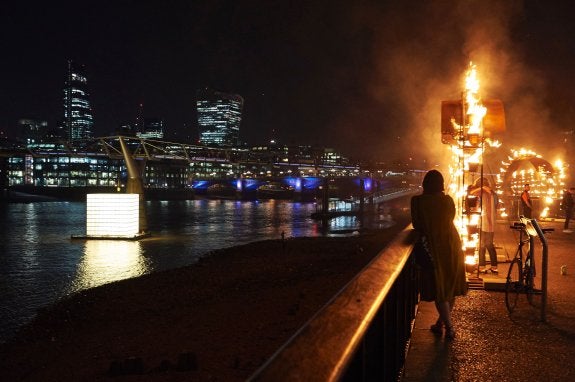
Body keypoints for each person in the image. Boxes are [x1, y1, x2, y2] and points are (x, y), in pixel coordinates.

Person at [411, 170, 467, 339]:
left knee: (439, 286)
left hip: (433, 245)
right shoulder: (448, 200)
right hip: (452, 243)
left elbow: (416, 224)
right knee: (451, 284)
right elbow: (451, 218)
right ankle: (441, 323)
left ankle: (449, 327)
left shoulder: (417, 201)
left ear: (425, 184)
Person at [469, 178, 498, 273]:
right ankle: (491, 266)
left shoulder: (485, 190)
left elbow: (472, 193)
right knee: (486, 245)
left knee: (485, 245)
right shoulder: (492, 193)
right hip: (487, 222)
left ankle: (485, 266)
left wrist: (477, 187)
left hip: (487, 222)